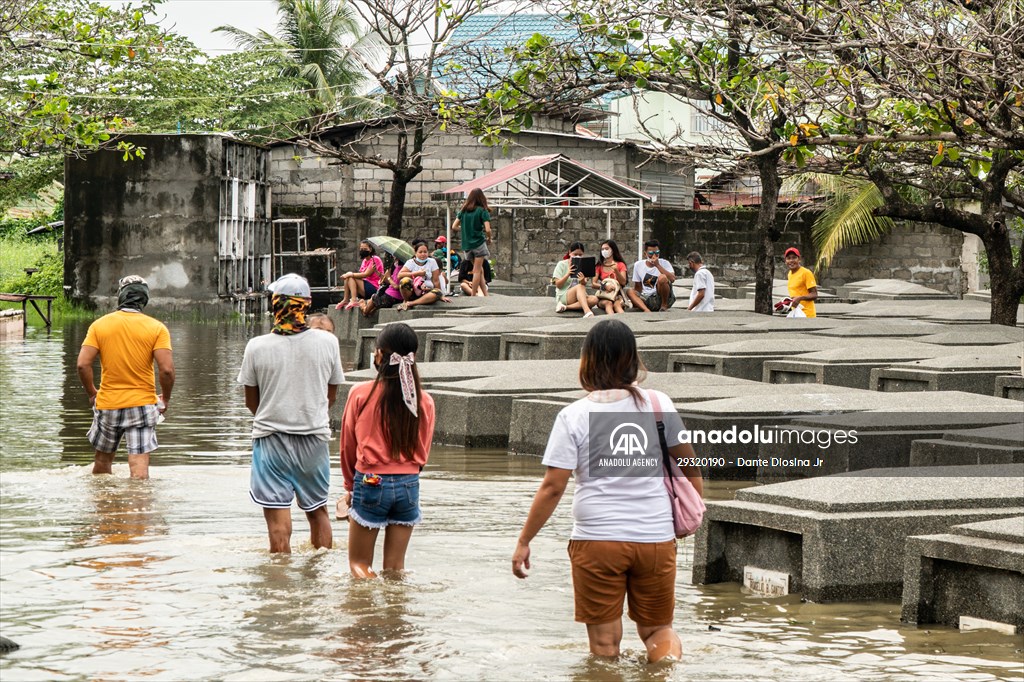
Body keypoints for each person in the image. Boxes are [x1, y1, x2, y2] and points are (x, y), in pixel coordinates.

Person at [512, 319, 703, 662]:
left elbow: (553, 487)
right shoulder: (659, 405)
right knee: (659, 631)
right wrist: (690, 514)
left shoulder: (574, 415)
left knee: (604, 647)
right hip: (655, 539)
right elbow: (691, 468)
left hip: (597, 540)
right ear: (632, 358)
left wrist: (525, 540)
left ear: (587, 360)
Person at [238, 273, 345, 554]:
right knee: (317, 512)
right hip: (314, 438)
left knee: (277, 520)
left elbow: (252, 402)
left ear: (275, 305)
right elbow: (330, 395)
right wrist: (307, 412)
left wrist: (277, 412)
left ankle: (279, 583)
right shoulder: (328, 343)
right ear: (306, 305)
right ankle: (318, 575)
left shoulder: (256, 347)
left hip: (271, 440)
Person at [340, 323, 435, 578]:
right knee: (395, 569)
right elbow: (423, 449)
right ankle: (395, 614)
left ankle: (367, 613)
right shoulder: (424, 401)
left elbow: (348, 445)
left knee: (359, 565)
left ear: (380, 354)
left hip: (370, 481)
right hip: (409, 484)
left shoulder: (361, 394)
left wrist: (350, 487)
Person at [76, 275, 175, 480]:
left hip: (108, 404)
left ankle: (102, 508)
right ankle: (138, 509)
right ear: (144, 299)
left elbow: (82, 364)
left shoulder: (100, 325)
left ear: (121, 297)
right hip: (142, 405)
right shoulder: (156, 328)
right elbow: (166, 370)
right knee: (139, 469)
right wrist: (165, 398)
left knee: (102, 462)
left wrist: (92, 393)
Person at [451, 188, 492, 297]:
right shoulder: (483, 211)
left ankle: (485, 294)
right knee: (477, 270)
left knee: (480, 269)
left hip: (467, 245)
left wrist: (465, 229)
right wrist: (489, 238)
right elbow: (488, 229)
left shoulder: (463, 211)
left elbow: (454, 226)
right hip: (478, 243)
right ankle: (474, 295)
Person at [628, 240, 677, 312]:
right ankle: (646, 310)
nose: (654, 256)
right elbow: (638, 286)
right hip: (647, 297)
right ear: (645, 254)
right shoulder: (638, 265)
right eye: (651, 253)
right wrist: (636, 299)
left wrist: (657, 265)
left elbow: (672, 279)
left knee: (662, 278)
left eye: (657, 253)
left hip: (661, 296)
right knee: (630, 291)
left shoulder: (665, 263)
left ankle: (664, 306)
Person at [552, 242, 598, 317]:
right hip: (564, 295)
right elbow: (558, 285)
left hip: (579, 296)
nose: (577, 256)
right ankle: (587, 311)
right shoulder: (562, 264)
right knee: (579, 286)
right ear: (570, 252)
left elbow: (584, 284)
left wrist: (582, 280)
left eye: (580, 255)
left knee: (594, 299)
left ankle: (565, 307)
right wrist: (568, 274)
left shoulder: (584, 265)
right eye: (575, 254)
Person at [396, 239, 443, 311]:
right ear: (415, 253)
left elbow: (436, 281)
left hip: (427, 292)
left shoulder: (432, 262)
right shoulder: (410, 262)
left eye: (425, 252)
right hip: (413, 292)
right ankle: (406, 300)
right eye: (420, 252)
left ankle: (411, 303)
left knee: (438, 293)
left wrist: (441, 296)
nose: (423, 254)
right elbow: (399, 275)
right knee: (404, 281)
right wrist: (416, 273)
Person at [337, 240, 384, 310]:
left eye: (365, 249)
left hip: (374, 287)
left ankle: (354, 300)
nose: (363, 251)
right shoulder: (364, 261)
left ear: (370, 249)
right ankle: (346, 299)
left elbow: (366, 274)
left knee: (350, 276)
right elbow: (360, 275)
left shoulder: (375, 259)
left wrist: (350, 274)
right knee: (348, 278)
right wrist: (349, 275)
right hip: (365, 286)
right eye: (361, 249)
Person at [593, 239, 629, 315]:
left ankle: (625, 322)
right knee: (608, 304)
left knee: (617, 305)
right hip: (604, 296)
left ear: (613, 250)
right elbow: (593, 284)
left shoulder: (620, 265)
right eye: (602, 249)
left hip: (617, 296)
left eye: (607, 249)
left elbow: (623, 282)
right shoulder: (599, 266)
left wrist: (616, 270)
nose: (604, 251)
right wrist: (605, 286)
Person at [783, 247, 818, 318]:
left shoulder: (806, 273)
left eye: (794, 258)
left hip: (807, 314)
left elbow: (814, 294)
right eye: (788, 258)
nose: (791, 261)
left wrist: (800, 298)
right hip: (796, 313)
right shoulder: (790, 274)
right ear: (785, 261)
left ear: (799, 259)